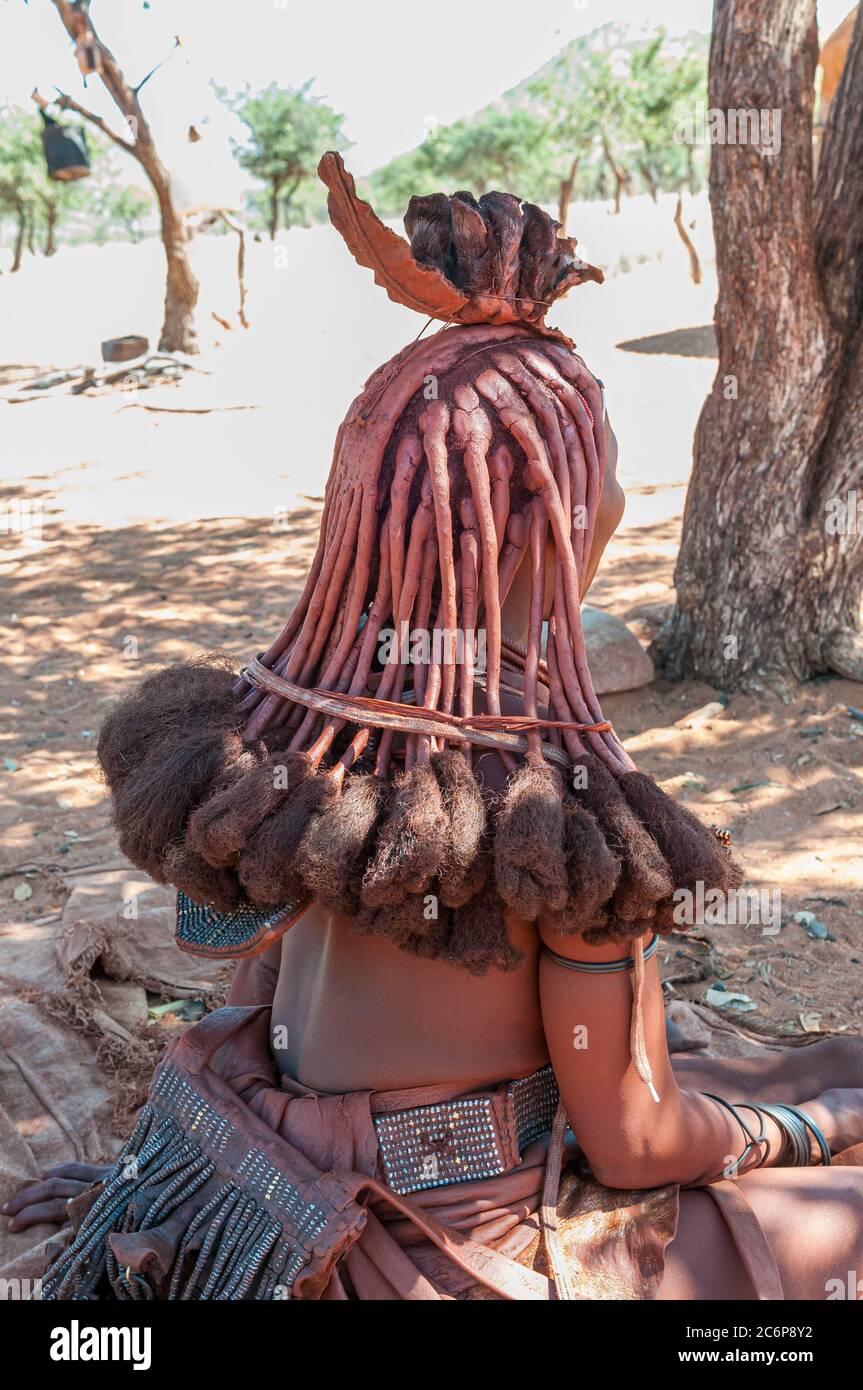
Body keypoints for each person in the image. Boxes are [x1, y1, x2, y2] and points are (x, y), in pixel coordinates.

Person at [7, 159, 862, 1300]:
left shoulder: (287, 734)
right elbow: (632, 1146)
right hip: (415, 1246)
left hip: (263, 1179)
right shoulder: (553, 816)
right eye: (597, 466)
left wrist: (169, 1180)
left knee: (800, 1064)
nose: (613, 495)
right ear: (555, 516)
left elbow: (241, 979)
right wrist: (804, 1132)